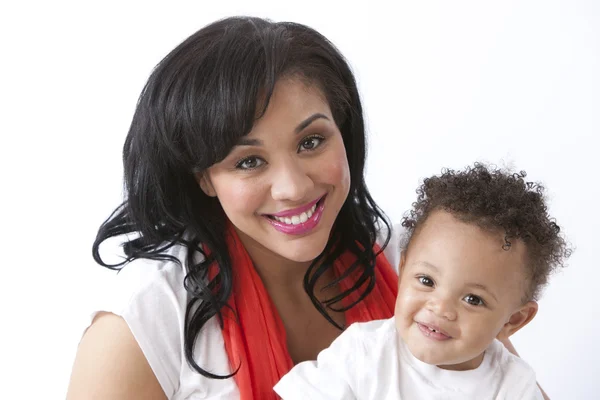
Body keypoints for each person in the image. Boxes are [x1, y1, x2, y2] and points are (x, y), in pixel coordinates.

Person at [66, 17, 549, 400]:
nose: (293, 187)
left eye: (312, 141)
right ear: (203, 179)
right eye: (248, 161)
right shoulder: (143, 323)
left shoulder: (422, 266)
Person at [274, 164, 571, 400]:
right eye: (427, 280)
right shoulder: (365, 351)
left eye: (473, 299)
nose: (440, 307)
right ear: (402, 269)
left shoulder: (511, 387)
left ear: (514, 320)